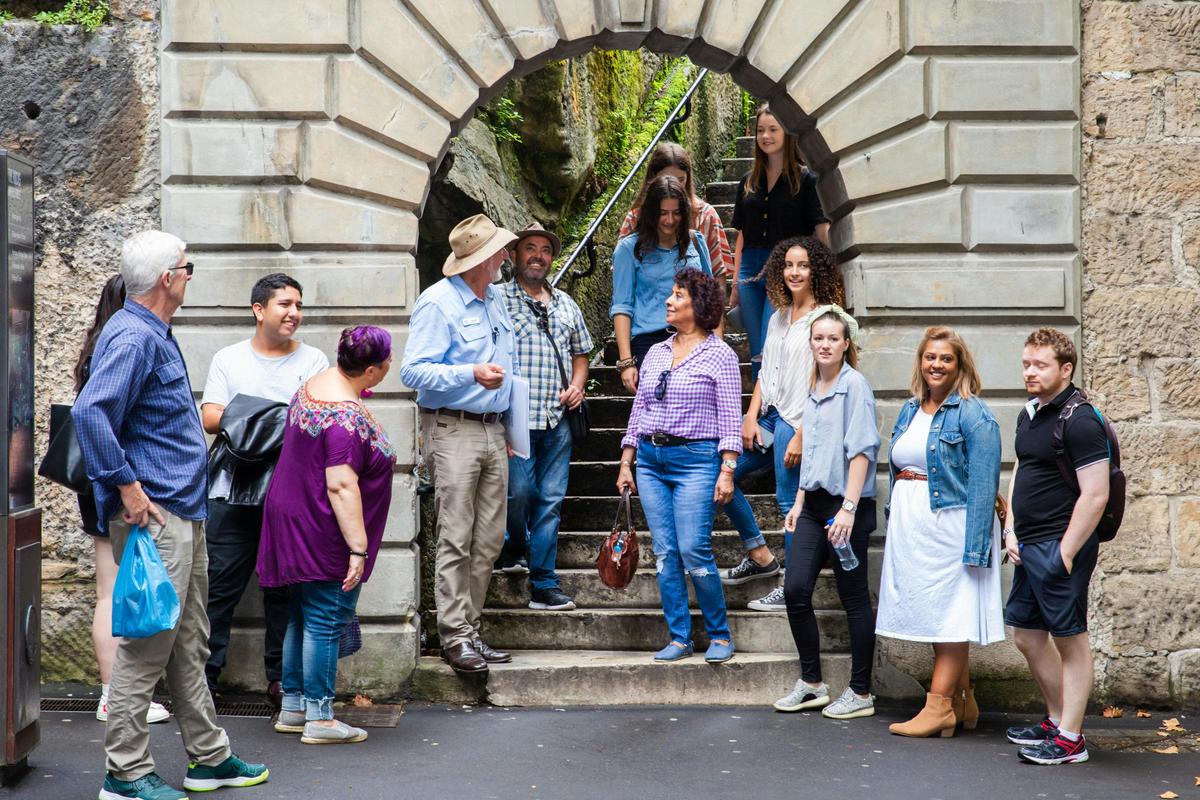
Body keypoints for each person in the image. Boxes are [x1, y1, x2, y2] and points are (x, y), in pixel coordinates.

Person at [73, 230, 267, 800]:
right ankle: (125, 773)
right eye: (188, 267)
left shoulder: (149, 331)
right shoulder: (135, 336)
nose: (189, 276)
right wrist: (128, 489)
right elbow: (90, 413)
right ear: (168, 279)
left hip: (179, 512)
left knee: (187, 644)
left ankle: (209, 758)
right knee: (147, 648)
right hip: (156, 518)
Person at [257, 326, 395, 745]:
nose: (390, 365)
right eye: (387, 361)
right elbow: (340, 484)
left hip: (293, 514)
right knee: (326, 618)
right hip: (323, 525)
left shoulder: (315, 385)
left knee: (301, 614)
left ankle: (294, 706)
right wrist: (358, 548)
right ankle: (320, 717)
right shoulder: (344, 418)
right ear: (370, 371)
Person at [200, 272, 329, 708]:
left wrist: (249, 418)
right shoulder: (229, 358)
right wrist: (280, 416)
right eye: (285, 304)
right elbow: (210, 417)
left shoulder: (313, 360)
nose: (294, 313)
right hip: (231, 487)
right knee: (219, 588)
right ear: (259, 310)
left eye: (299, 305)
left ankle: (282, 681)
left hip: (290, 489)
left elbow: (317, 422)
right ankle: (204, 680)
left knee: (285, 591)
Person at [400, 214, 519, 676]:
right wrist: (470, 373)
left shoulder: (495, 298)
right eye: (500, 251)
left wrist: (510, 428)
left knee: (489, 538)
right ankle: (454, 636)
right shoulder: (438, 302)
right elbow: (413, 371)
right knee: (456, 535)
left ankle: (470, 629)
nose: (506, 256)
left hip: (493, 428)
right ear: (480, 259)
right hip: (452, 428)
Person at [875, 327, 1004, 738]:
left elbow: (984, 483)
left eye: (946, 358)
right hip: (915, 527)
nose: (937, 364)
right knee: (937, 615)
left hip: (952, 525)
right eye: (930, 357)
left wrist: (977, 546)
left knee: (952, 614)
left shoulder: (973, 414)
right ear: (920, 362)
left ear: (960, 365)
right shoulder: (910, 410)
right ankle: (963, 701)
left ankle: (939, 707)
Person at [616, 269, 740, 664]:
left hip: (696, 462)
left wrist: (727, 469)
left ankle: (719, 634)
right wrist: (626, 461)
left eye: (678, 295)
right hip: (650, 461)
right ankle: (680, 637)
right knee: (666, 552)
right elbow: (639, 410)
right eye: (671, 294)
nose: (669, 301)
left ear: (698, 306)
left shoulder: (720, 355)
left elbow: (730, 419)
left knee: (693, 548)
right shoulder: (656, 351)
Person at [719, 235, 846, 615]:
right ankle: (759, 553)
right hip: (769, 417)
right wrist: (749, 415)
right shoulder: (777, 316)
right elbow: (765, 372)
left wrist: (803, 434)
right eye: (789, 265)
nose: (794, 272)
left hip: (798, 419)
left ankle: (791, 586)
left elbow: (829, 380)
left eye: (803, 265)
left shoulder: (825, 319)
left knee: (789, 501)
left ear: (815, 270)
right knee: (718, 471)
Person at [1003, 328, 1110, 766]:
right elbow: (1021, 468)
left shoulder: (1081, 420)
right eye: (1026, 363)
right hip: (1028, 544)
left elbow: (1096, 495)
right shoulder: (1030, 413)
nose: (1029, 371)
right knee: (1028, 636)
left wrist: (1066, 552)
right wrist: (1011, 528)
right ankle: (1056, 719)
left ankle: (1071, 740)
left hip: (1059, 546)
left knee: (1070, 640)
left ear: (1066, 369)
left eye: (1040, 365)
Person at [72, 276, 172, 727]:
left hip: (96, 482)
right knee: (118, 592)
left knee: (108, 590)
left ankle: (112, 693)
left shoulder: (96, 347)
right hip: (120, 482)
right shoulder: (130, 343)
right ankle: (118, 695)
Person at [774, 308, 880, 720]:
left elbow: (862, 451)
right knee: (796, 589)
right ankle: (812, 684)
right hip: (813, 505)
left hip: (845, 507)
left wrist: (848, 510)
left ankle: (861, 691)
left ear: (846, 344)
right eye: (818, 338)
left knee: (853, 599)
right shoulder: (813, 384)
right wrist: (799, 502)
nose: (825, 344)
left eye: (833, 338)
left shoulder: (855, 386)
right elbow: (813, 452)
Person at [494, 224, 594, 610]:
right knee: (519, 493)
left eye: (546, 250)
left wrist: (578, 386)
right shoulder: (496, 299)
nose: (538, 255)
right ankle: (514, 545)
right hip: (515, 418)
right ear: (514, 255)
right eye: (530, 248)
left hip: (557, 419)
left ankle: (544, 583)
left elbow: (581, 354)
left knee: (550, 500)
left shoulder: (566, 303)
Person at [729, 104, 830, 380]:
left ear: (787, 133)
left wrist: (820, 276)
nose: (766, 136)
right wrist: (735, 283)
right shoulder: (747, 182)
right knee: (756, 348)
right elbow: (741, 235)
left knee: (771, 341)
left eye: (773, 130)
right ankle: (760, 402)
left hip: (786, 269)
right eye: (761, 130)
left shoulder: (805, 180)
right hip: (750, 270)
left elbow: (820, 230)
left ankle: (774, 402)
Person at [611, 175, 712, 392]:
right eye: (663, 213)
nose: (670, 220)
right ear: (650, 213)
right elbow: (621, 306)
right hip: (650, 342)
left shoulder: (695, 242)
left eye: (676, 213)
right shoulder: (628, 249)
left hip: (695, 337)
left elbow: (711, 298)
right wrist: (626, 362)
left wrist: (717, 344)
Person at [617, 142, 732, 276]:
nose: (673, 185)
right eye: (666, 178)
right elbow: (622, 270)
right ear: (653, 178)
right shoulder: (636, 218)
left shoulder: (706, 215)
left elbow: (718, 274)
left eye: (680, 179)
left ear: (688, 178)